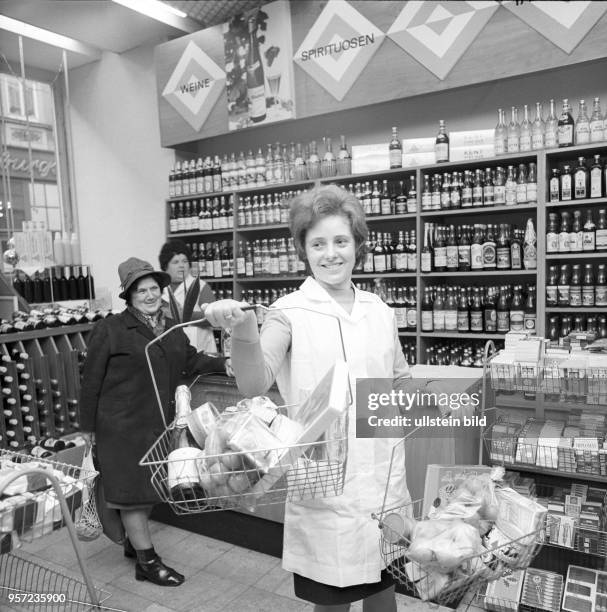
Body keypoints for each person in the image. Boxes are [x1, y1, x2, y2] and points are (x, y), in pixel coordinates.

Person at [205, 185, 411, 612]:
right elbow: (254, 382)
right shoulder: (289, 312)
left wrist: (442, 414)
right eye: (318, 243)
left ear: (358, 245)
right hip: (326, 480)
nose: (330, 253)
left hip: (384, 476)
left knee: (384, 587)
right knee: (331, 596)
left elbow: (398, 382)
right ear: (303, 249)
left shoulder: (380, 310)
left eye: (341, 241)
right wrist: (243, 330)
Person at [80, 257, 227, 587]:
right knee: (133, 493)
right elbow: (90, 380)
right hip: (119, 425)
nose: (149, 295)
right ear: (129, 296)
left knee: (148, 488)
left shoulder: (171, 329)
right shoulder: (112, 329)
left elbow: (191, 359)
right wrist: (87, 427)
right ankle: (147, 562)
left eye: (153, 289)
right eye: (141, 290)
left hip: (156, 423)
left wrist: (226, 364)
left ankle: (134, 543)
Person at [158, 240, 217, 353]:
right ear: (165, 266)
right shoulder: (159, 289)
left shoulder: (201, 286)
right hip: (170, 350)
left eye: (185, 261)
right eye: (175, 262)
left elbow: (214, 318)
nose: (181, 266)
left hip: (201, 350)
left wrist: (186, 315)